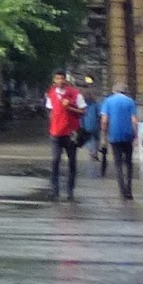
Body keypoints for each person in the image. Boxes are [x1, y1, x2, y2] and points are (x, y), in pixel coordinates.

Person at [45, 70, 87, 201]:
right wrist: (52, 124)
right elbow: (51, 111)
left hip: (71, 133)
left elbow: (83, 111)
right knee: (55, 160)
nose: (60, 81)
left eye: (62, 78)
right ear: (54, 80)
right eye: (57, 78)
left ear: (65, 80)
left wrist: (69, 107)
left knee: (72, 162)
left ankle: (70, 190)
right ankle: (55, 190)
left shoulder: (75, 94)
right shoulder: (51, 93)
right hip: (56, 133)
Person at [99, 80, 139, 201]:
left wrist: (104, 135)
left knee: (118, 163)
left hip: (114, 135)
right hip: (128, 135)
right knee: (129, 162)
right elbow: (134, 120)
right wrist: (136, 135)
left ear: (114, 91)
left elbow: (104, 120)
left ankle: (122, 190)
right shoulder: (130, 101)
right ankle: (129, 190)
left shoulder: (108, 101)